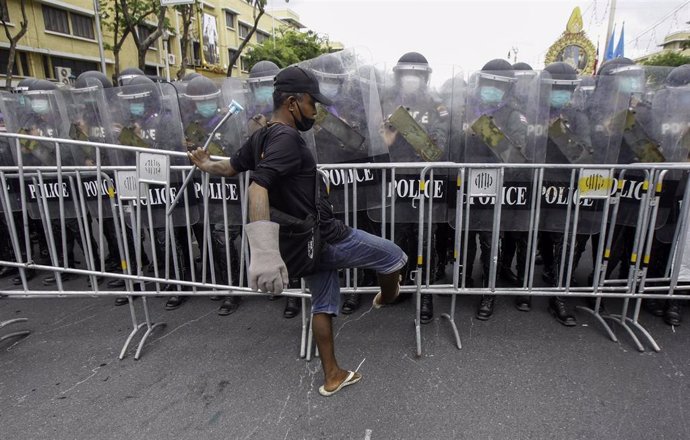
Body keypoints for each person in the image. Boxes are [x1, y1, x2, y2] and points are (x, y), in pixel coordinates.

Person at [188, 66, 407, 396]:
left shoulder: (262, 135)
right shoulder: (287, 139)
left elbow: (230, 168)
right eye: (311, 103)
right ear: (292, 102)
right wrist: (263, 255)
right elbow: (257, 187)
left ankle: (332, 375)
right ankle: (386, 297)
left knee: (323, 304)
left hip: (305, 242)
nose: (315, 111)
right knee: (393, 257)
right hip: (327, 236)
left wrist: (206, 165)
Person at [379, 51, 450, 324]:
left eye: (416, 76)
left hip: (426, 182)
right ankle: (402, 286)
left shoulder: (436, 105)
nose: (411, 80)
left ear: (424, 78)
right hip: (397, 182)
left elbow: (441, 143)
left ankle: (427, 294)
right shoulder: (388, 103)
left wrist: (425, 141)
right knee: (400, 236)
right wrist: (386, 136)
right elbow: (379, 144)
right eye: (406, 75)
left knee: (425, 238)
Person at [182, 75, 243, 315]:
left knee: (224, 236)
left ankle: (233, 289)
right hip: (205, 190)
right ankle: (224, 283)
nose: (205, 105)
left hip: (230, 185)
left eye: (208, 100)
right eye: (200, 101)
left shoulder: (229, 119)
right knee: (213, 238)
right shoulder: (190, 125)